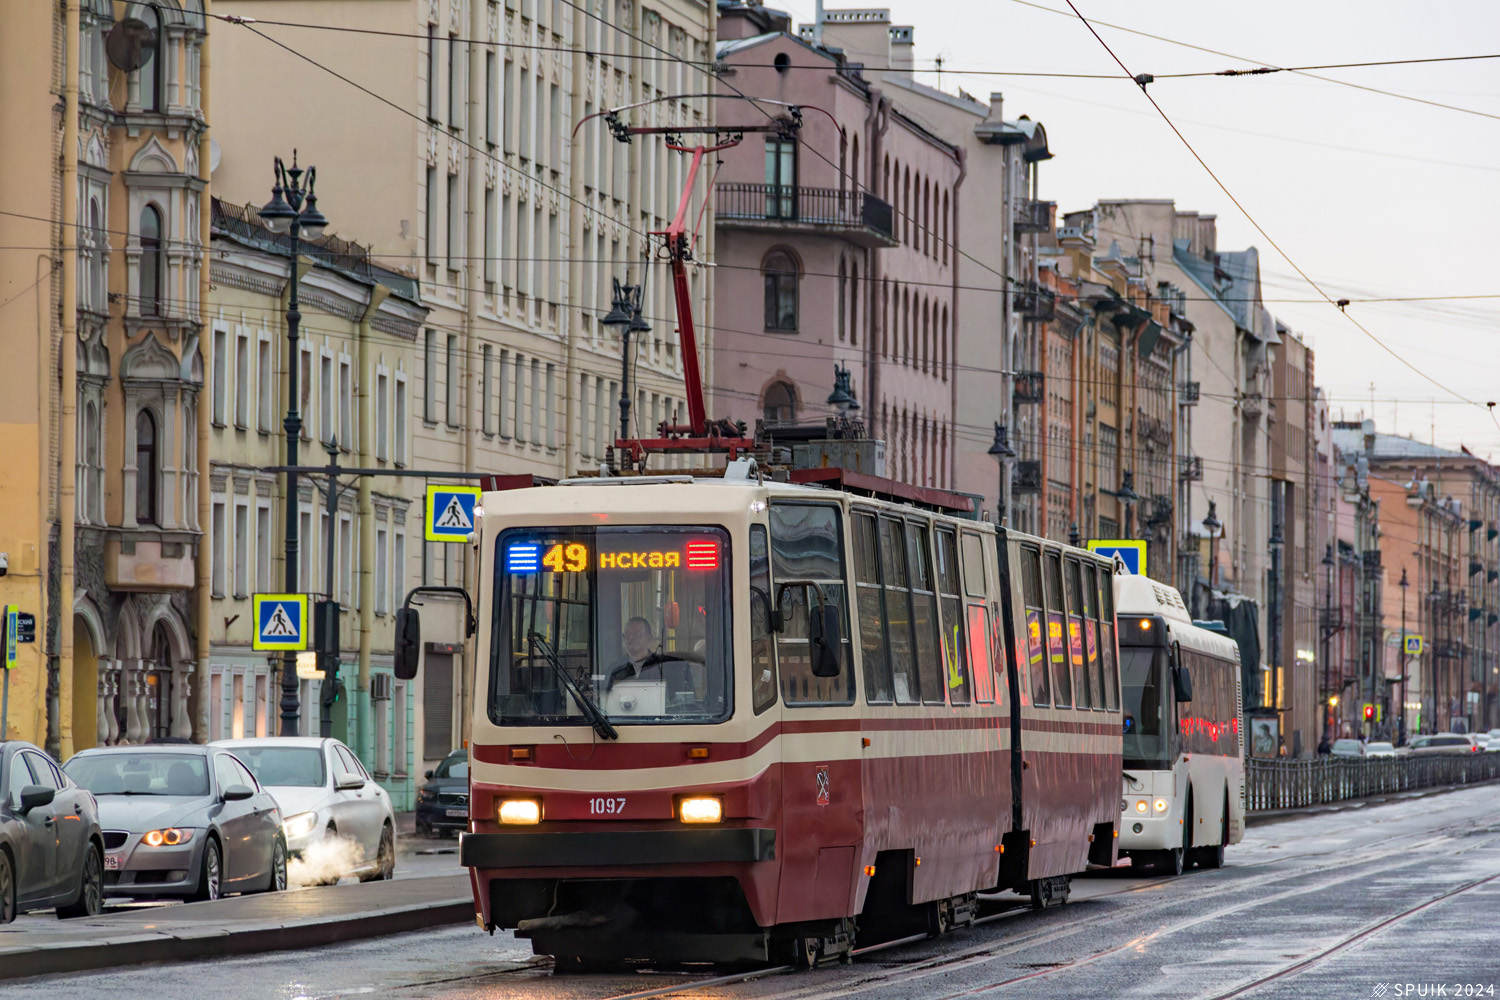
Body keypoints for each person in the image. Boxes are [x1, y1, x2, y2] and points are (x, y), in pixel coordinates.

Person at [605, 616, 692, 694]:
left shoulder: (664, 667)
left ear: (649, 638)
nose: (631, 638)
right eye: (627, 634)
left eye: (636, 634)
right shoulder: (615, 669)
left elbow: (675, 703)